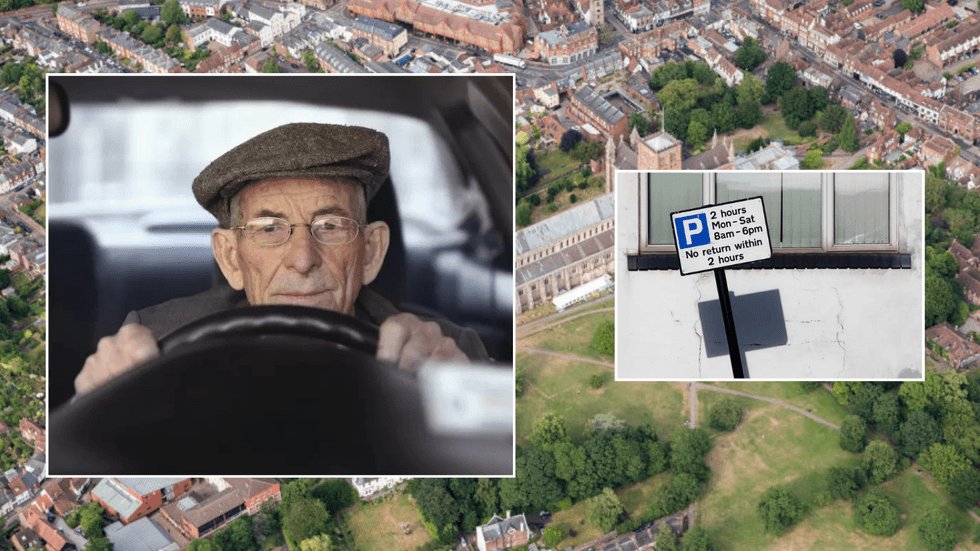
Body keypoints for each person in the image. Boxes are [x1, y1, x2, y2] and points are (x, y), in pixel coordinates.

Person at [74, 122, 488, 395]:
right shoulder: (152, 341)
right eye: (269, 229)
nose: (303, 260)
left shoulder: (451, 350)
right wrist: (93, 407)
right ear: (231, 258)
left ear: (371, 253)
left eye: (330, 225)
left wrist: (465, 397)